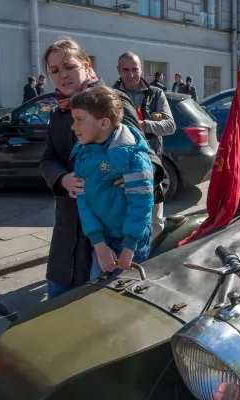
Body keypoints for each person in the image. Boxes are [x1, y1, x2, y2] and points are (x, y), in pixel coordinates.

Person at [39, 38, 164, 299]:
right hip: (71, 222)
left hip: (109, 229)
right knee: (57, 299)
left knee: (98, 306)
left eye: (68, 66)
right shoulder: (60, 111)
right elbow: (48, 158)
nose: (62, 75)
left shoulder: (110, 100)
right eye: (54, 70)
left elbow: (145, 154)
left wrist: (137, 177)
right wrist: (63, 179)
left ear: (86, 65)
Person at [70, 86, 153, 280]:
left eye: (79, 120)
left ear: (104, 123)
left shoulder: (132, 156)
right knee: (97, 288)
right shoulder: (84, 154)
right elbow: (84, 202)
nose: (73, 127)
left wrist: (129, 247)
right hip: (104, 242)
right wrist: (98, 243)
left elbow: (141, 205)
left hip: (132, 243)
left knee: (125, 294)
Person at [114, 52, 176, 238]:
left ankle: (153, 256)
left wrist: (143, 125)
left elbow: (170, 126)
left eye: (135, 69)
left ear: (141, 69)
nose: (131, 74)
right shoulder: (111, 95)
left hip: (152, 167)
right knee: (125, 217)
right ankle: (130, 258)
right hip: (122, 167)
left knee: (155, 220)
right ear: (118, 70)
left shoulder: (156, 94)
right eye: (125, 70)